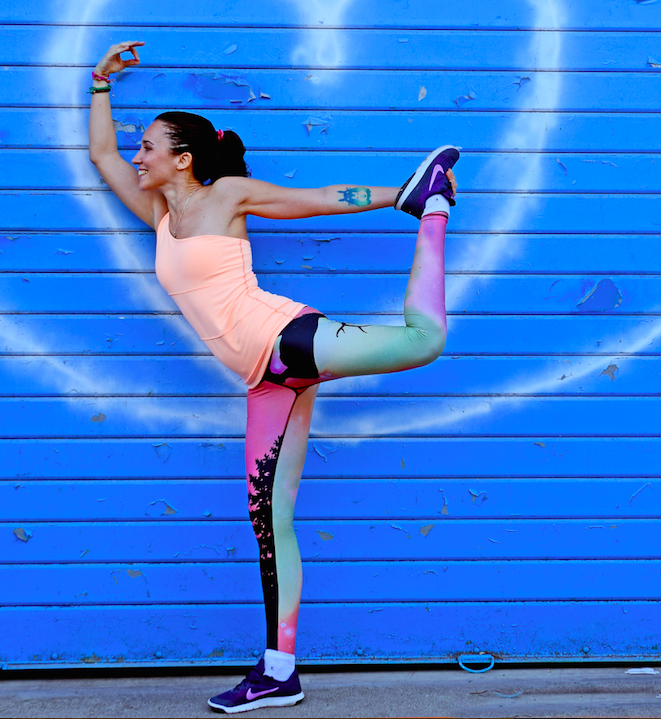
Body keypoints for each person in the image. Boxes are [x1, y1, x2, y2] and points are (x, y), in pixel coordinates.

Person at [88, 41, 459, 713]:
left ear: (184, 158)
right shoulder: (162, 219)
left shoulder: (225, 195)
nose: (137, 154)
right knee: (268, 518)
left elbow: (312, 200)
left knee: (423, 340)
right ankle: (278, 670)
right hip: (265, 380)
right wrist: (99, 86)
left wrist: (397, 197)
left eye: (148, 145)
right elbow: (102, 158)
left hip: (285, 338)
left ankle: (430, 208)